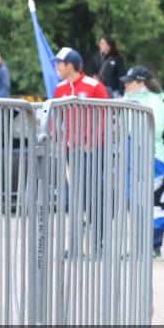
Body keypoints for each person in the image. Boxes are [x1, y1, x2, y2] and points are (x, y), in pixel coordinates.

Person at [53, 47, 111, 256]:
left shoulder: (95, 86)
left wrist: (93, 142)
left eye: (59, 63)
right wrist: (55, 139)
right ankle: (77, 244)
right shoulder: (59, 88)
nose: (56, 67)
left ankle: (98, 244)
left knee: (91, 197)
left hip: (92, 152)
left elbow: (106, 117)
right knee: (72, 199)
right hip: (70, 152)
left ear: (70, 65)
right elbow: (55, 119)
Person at [121, 65, 164, 257]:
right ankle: (140, 245)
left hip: (152, 156)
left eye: (129, 82)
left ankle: (153, 246)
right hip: (134, 155)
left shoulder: (157, 100)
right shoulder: (127, 99)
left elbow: (157, 128)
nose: (126, 85)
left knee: (151, 203)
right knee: (135, 203)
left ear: (141, 82)